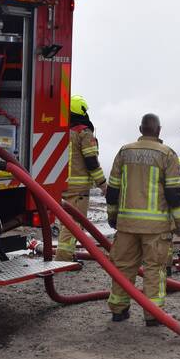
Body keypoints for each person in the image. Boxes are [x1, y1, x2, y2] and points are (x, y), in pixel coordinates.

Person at [105, 113, 180, 325]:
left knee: (123, 267)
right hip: (156, 227)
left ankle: (119, 310)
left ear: (140, 129)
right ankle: (153, 315)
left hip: (126, 225)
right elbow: (174, 192)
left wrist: (112, 215)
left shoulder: (124, 152)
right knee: (154, 269)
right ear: (159, 130)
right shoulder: (167, 154)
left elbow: (113, 188)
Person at [56, 95, 107, 262]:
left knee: (66, 222)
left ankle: (66, 255)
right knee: (73, 224)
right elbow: (91, 161)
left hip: (61, 185)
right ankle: (63, 258)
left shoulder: (60, 132)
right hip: (78, 188)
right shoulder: (84, 133)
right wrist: (103, 185)